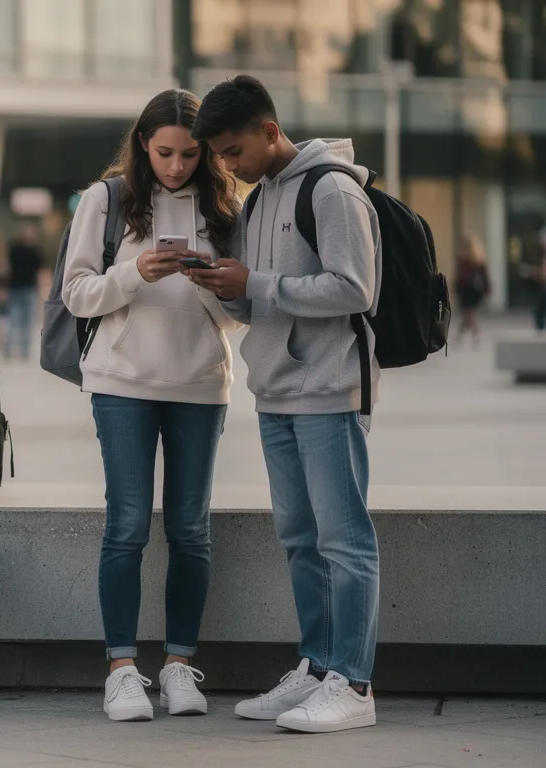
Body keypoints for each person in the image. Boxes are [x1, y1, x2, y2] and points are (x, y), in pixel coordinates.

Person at [189, 74, 381, 734]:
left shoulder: (331, 188)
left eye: (233, 151)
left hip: (328, 388)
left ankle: (353, 683)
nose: (227, 166)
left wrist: (259, 281)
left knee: (343, 541)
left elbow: (355, 288)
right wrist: (220, 284)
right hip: (275, 389)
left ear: (270, 132)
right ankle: (317, 665)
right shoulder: (257, 199)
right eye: (219, 155)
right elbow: (254, 301)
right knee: (300, 539)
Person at [61, 88, 243, 722]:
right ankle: (121, 670)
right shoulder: (105, 200)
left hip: (199, 382)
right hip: (120, 382)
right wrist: (138, 270)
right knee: (128, 525)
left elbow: (241, 312)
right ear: (143, 144)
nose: (176, 167)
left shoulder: (225, 202)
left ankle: (178, 666)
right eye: (164, 152)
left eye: (190, 154)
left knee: (191, 529)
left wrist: (206, 280)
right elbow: (77, 294)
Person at [5, 224, 44, 361]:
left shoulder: (15, 249)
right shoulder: (34, 251)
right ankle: (21, 351)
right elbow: (39, 272)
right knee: (21, 321)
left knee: (18, 321)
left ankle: (13, 350)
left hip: (21, 288)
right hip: (23, 289)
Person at [453, 233, 489, 348]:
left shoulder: (474, 261)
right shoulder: (469, 260)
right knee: (467, 315)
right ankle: (468, 338)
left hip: (469, 291)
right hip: (468, 291)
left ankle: (469, 338)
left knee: (469, 314)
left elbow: (484, 277)